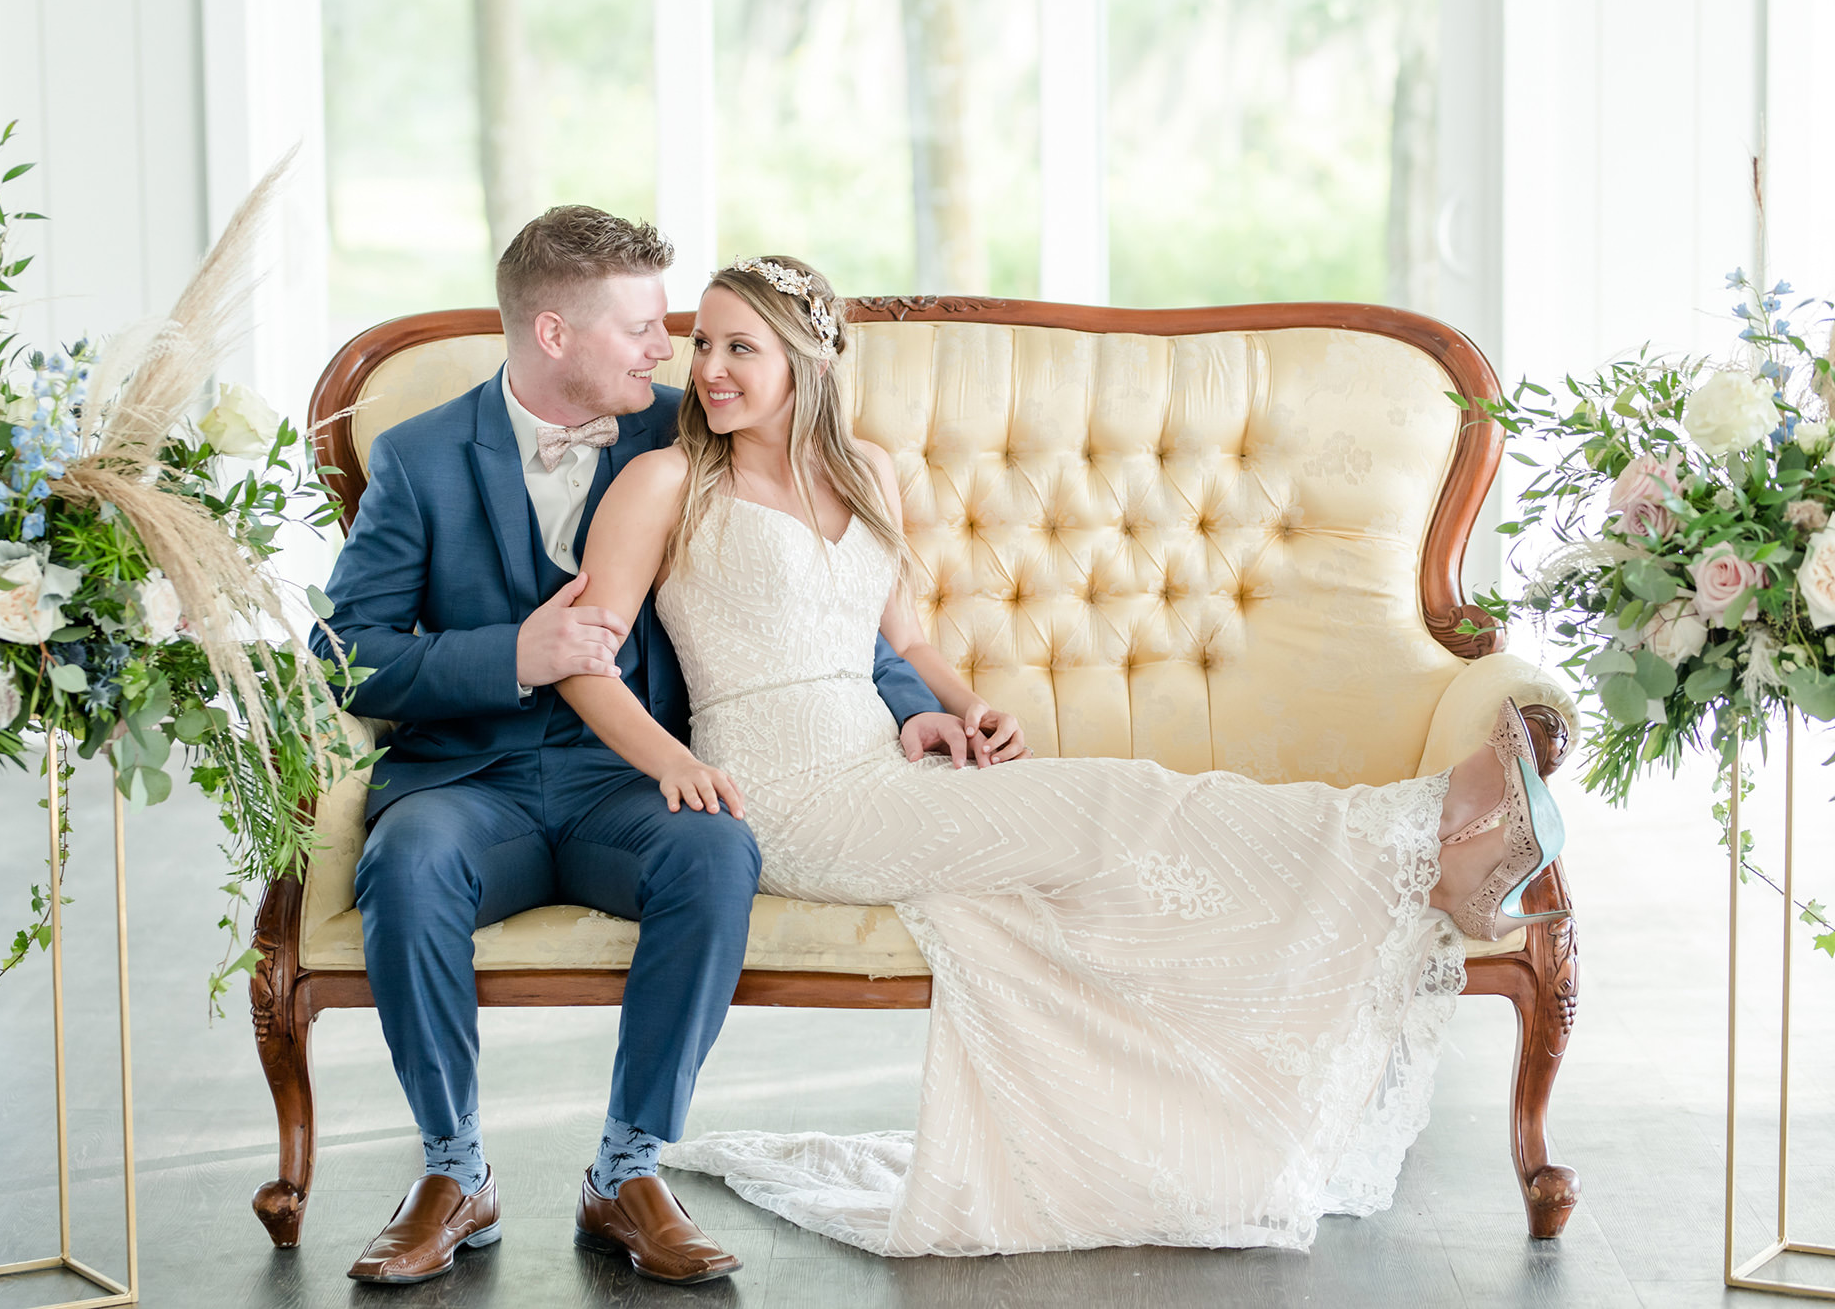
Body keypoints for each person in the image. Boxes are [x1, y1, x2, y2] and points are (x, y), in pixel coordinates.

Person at [552, 254, 1571, 1257]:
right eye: (704, 344)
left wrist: (963, 711)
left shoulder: (866, 472)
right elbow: (580, 659)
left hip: (884, 769)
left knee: (1113, 840)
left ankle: (1424, 861)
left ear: (809, 363)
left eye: (742, 347)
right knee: (1119, 800)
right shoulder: (667, 481)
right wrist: (668, 763)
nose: (713, 369)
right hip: (779, 793)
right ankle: (1426, 825)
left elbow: (900, 640)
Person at [312, 209, 981, 1286]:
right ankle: (452, 1170)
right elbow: (348, 654)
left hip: (629, 776)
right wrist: (513, 652)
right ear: (552, 335)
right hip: (468, 783)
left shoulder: (696, 433)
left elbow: (821, 605)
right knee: (410, 858)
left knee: (716, 852)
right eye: (640, 328)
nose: (671, 352)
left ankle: (626, 1171)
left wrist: (908, 704)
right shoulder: (419, 457)